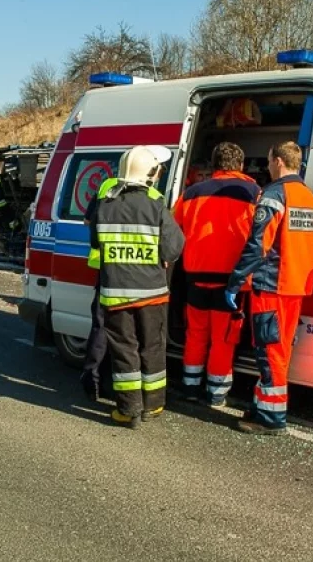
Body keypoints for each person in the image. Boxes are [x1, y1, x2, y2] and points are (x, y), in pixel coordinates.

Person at [225, 141, 313, 435]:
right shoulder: (308, 197)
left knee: (269, 350)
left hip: (272, 285)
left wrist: (235, 281)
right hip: (296, 285)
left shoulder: (274, 195)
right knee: (279, 349)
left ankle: (271, 418)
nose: (268, 166)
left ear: (278, 161)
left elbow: (258, 245)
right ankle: (263, 406)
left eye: (269, 161)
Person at [89, 145, 184, 428]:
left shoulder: (105, 204)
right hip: (152, 295)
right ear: (150, 174)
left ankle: (128, 410)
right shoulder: (156, 205)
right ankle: (153, 405)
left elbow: (95, 241)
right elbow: (174, 247)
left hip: (116, 295)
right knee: (152, 346)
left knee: (124, 350)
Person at [174, 143, 260, 408]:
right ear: (241, 165)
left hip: (196, 277)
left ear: (213, 164)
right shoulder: (254, 193)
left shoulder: (191, 193)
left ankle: (189, 386)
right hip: (231, 281)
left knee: (196, 334)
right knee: (223, 339)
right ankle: (216, 394)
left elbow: (176, 228)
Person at [79, 174, 118, 402]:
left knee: (101, 327)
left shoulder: (106, 186)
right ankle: (114, 385)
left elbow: (87, 222)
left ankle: (92, 381)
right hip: (139, 276)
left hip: (105, 267)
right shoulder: (153, 195)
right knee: (127, 331)